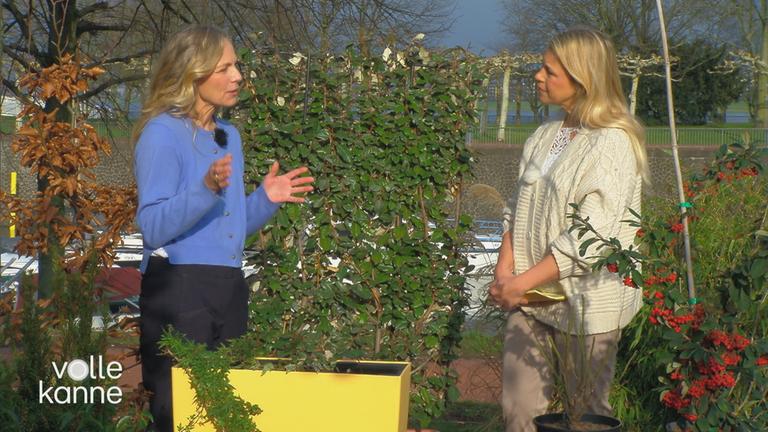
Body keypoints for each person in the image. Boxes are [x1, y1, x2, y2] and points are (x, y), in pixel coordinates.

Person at [132, 26, 314, 432]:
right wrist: (205, 188)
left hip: (228, 287)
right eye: (225, 67)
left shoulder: (228, 136)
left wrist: (266, 199)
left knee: (226, 413)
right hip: (178, 289)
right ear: (193, 73)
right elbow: (153, 227)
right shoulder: (161, 133)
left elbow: (227, 233)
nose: (238, 76)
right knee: (178, 415)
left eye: (237, 66)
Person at [488, 28, 648, 431]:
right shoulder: (544, 137)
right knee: (518, 409)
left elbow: (591, 237)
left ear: (583, 78)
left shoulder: (612, 143)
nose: (538, 77)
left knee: (586, 414)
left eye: (549, 71)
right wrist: (505, 274)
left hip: (587, 304)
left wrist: (521, 282)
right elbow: (517, 208)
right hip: (530, 298)